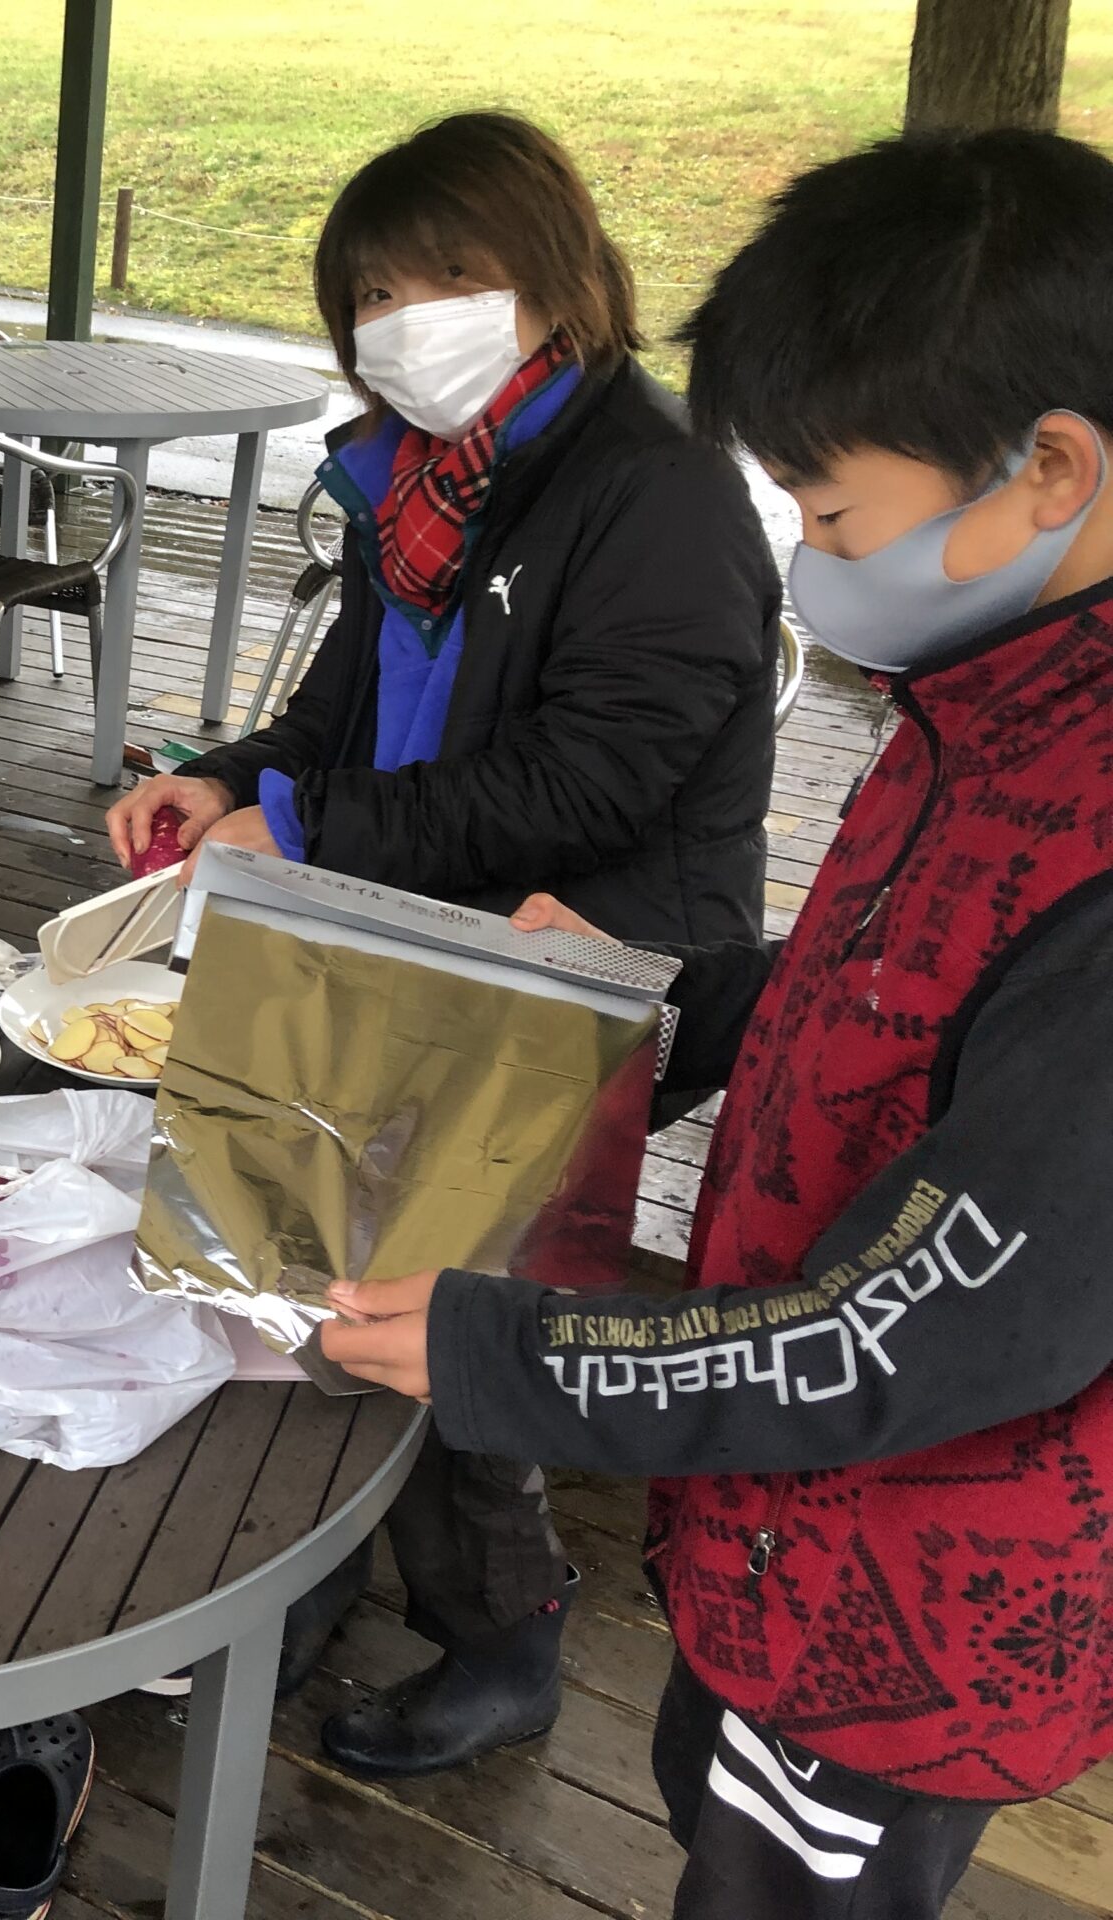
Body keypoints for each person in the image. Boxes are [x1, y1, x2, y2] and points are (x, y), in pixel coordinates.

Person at [319, 128, 1113, 1920]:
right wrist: (634, 999)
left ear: (1050, 469)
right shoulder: (988, 701)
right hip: (784, 1538)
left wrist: (516, 1357)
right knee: (708, 1805)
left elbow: (917, 1329)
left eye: (832, 516)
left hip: (909, 1610)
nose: (811, 562)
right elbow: (880, 994)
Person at [105, 111, 780, 1779]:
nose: (407, 322)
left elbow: (594, 776)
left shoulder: (659, 491)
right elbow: (339, 712)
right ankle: (315, 1556)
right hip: (408, 934)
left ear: (554, 275)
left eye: (448, 279)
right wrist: (229, 780)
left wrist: (312, 829)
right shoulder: (413, 482)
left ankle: (503, 1631)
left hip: (593, 964)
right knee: (297, 1240)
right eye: (373, 296)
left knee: (455, 1285)